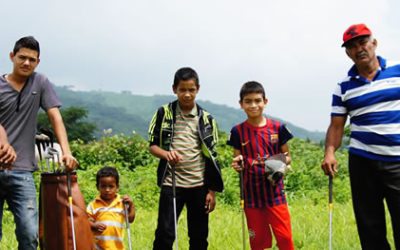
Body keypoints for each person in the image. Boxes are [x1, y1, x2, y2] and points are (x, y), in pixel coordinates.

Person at [321, 23, 400, 249]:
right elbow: (336, 126)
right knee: (369, 225)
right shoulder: (343, 87)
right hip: (363, 162)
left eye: (363, 42)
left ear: (374, 43)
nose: (359, 49)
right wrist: (329, 153)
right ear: (348, 52)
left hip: (397, 160)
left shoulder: (397, 70)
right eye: (352, 46)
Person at [0, 36, 78, 249]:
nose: (26, 63)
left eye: (32, 60)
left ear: (38, 62)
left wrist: (66, 151)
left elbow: (55, 117)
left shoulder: (40, 82)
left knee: (30, 234)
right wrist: (3, 140)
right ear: (12, 56)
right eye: (22, 58)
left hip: (23, 171)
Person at [148, 67, 224, 250]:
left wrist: (211, 191)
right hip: (171, 183)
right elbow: (152, 145)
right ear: (174, 89)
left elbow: (213, 156)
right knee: (165, 234)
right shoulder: (163, 113)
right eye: (183, 89)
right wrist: (166, 154)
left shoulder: (206, 119)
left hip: (198, 185)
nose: (187, 94)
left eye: (191, 89)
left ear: (198, 89)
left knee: (199, 236)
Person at [228, 81, 295, 250]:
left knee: (285, 238)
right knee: (257, 242)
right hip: (251, 195)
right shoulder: (237, 131)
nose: (253, 105)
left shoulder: (278, 128)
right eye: (248, 101)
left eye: (257, 100)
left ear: (265, 101)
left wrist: (274, 165)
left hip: (275, 193)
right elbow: (237, 160)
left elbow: (288, 157)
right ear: (241, 104)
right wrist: (238, 164)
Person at [87, 166, 135, 249]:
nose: (107, 190)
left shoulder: (121, 203)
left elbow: (130, 219)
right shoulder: (93, 205)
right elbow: (85, 221)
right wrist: (94, 225)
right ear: (97, 187)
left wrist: (131, 205)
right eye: (103, 186)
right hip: (98, 246)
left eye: (111, 186)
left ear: (117, 187)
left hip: (117, 247)